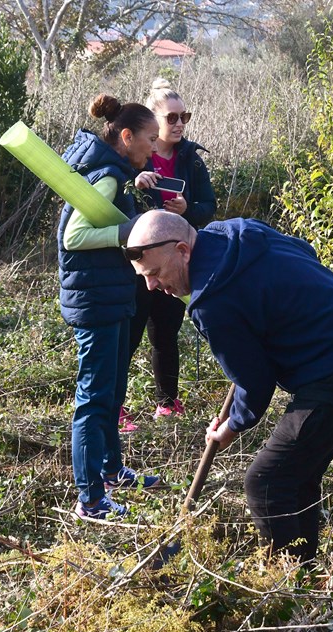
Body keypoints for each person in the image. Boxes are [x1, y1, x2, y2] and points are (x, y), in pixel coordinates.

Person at [126, 211, 333, 563]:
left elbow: (255, 383)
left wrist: (232, 425)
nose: (152, 287)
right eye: (144, 278)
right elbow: (304, 249)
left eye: (156, 274)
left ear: (182, 250)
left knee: (266, 481)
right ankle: (304, 569)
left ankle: (284, 584)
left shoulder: (212, 300)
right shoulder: (235, 231)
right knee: (297, 475)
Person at [59, 94, 164, 520]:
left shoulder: (117, 173)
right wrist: (131, 230)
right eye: (150, 139)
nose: (155, 148)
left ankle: (112, 471)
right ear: (126, 136)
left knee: (113, 391)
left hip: (111, 295)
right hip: (96, 301)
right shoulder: (105, 175)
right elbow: (75, 238)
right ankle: (90, 498)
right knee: (95, 398)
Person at [120, 78, 217, 429]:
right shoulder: (132, 161)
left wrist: (187, 209)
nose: (179, 124)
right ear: (154, 121)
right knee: (128, 334)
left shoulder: (191, 160)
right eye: (172, 117)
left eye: (184, 117)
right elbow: (117, 206)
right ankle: (116, 406)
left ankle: (167, 403)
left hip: (177, 260)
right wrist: (136, 185)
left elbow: (209, 208)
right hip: (141, 263)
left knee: (166, 332)